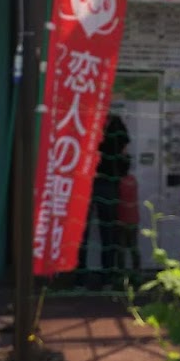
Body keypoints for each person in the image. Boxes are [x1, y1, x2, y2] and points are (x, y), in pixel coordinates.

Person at [77, 112, 130, 283]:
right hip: (108, 182)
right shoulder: (116, 124)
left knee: (81, 232)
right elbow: (124, 152)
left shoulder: (85, 121)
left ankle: (80, 275)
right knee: (108, 232)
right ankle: (107, 275)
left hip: (85, 182)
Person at [116, 155, 141, 279]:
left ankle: (121, 275)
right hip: (133, 219)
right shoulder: (133, 180)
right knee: (133, 247)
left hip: (122, 220)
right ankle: (137, 273)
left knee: (121, 249)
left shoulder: (118, 182)